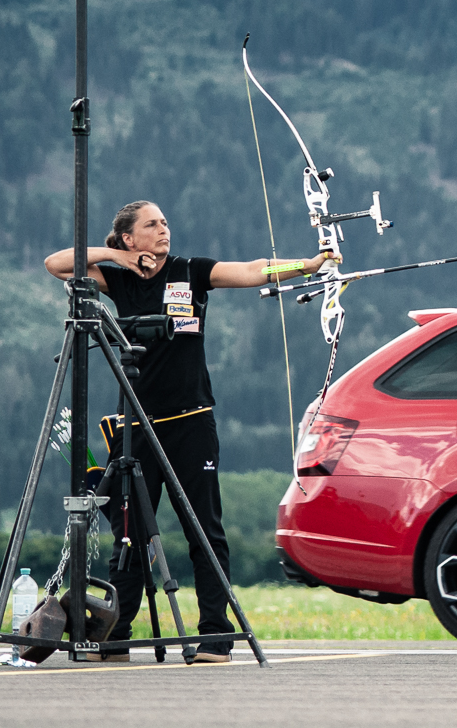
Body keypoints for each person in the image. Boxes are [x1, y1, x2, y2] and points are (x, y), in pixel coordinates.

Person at [44, 200, 334, 664]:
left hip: (191, 421)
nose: (164, 230)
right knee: (129, 532)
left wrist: (308, 265)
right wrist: (116, 258)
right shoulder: (115, 276)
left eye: (165, 222)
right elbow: (56, 264)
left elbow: (254, 270)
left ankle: (215, 636)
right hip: (136, 423)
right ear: (128, 238)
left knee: (203, 528)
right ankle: (116, 633)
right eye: (152, 225)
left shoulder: (190, 271)